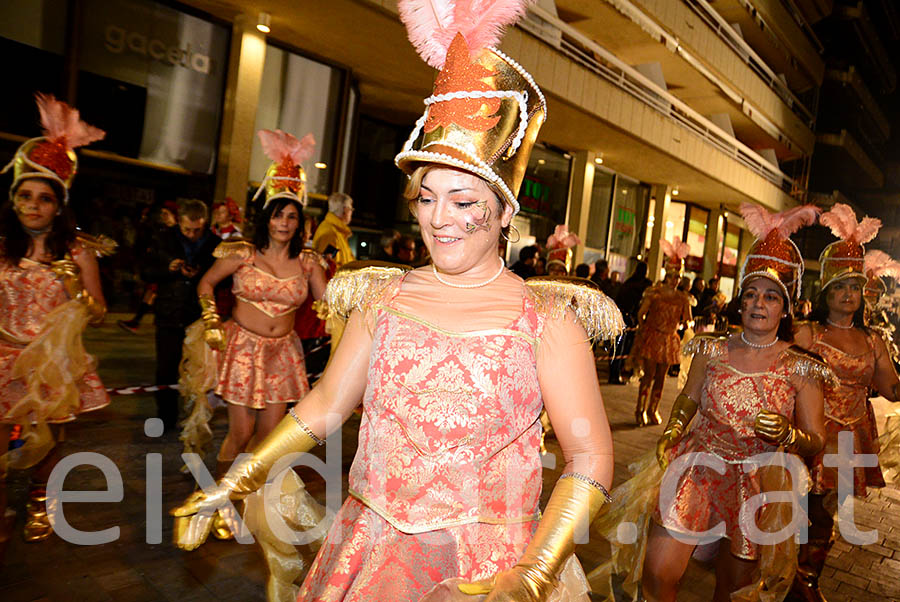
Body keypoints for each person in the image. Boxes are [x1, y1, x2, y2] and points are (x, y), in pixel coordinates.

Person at [172, 6, 624, 600]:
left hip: (489, 572)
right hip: (370, 551)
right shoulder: (381, 297)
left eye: (463, 201)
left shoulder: (548, 318)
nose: (441, 220)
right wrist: (240, 476)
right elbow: (327, 404)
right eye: (427, 198)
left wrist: (534, 574)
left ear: (507, 210)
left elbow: (590, 453)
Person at [590, 203, 828, 602]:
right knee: (658, 573)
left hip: (756, 482)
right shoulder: (710, 350)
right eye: (750, 293)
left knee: (733, 591)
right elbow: (688, 398)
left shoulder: (802, 368)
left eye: (771, 297)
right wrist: (671, 431)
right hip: (696, 467)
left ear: (786, 307)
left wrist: (790, 433)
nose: (758, 303)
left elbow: (817, 440)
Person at [179, 129, 326, 542]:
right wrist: (210, 321)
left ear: (300, 221)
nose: (284, 222)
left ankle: (249, 500)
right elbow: (206, 284)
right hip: (243, 350)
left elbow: (329, 306)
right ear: (267, 217)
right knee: (239, 434)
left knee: (267, 438)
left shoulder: (309, 263)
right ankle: (219, 499)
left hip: (283, 355)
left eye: (291, 215)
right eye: (278, 214)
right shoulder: (242, 254)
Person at [0, 94, 112, 543]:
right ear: (12, 200)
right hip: (5, 356)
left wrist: (75, 287)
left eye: (44, 199)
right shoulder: (2, 247)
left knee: (49, 440)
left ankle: (38, 499)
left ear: (58, 205)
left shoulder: (78, 252)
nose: (33, 206)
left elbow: (99, 314)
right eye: (25, 196)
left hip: (54, 366)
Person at [789, 204, 900, 602]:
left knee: (824, 516)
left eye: (855, 287)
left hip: (850, 440)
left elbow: (893, 390)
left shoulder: (874, 340)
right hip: (807, 437)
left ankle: (805, 581)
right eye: (840, 287)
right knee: (796, 514)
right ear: (826, 293)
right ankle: (792, 580)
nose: (849, 294)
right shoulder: (808, 334)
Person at [143, 199, 220, 431]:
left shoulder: (216, 244)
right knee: (166, 368)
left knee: (200, 370)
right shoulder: (163, 239)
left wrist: (201, 275)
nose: (192, 234)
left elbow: (224, 280)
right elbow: (146, 271)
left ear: (205, 223)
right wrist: (169, 269)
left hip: (198, 314)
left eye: (197, 230)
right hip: (169, 313)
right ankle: (166, 418)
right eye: (187, 229)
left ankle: (195, 417)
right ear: (179, 222)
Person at [630, 238, 692, 426]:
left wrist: (682, 327)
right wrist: (645, 329)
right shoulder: (654, 293)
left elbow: (688, 320)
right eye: (672, 276)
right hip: (654, 336)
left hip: (669, 340)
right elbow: (641, 314)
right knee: (648, 376)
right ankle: (640, 410)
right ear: (667, 275)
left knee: (661, 378)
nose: (675, 280)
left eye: (678, 277)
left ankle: (653, 409)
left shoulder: (683, 298)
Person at [118, 202, 179, 333]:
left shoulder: (178, 232)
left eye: (166, 214)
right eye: (162, 214)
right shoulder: (164, 230)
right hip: (162, 270)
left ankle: (137, 322)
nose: (163, 217)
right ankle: (136, 321)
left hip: (173, 272)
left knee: (154, 294)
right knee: (151, 293)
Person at [608, 261, 652, 384]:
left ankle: (615, 372)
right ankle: (620, 373)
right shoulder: (645, 285)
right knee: (626, 348)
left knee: (618, 346)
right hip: (632, 318)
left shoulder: (628, 282)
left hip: (620, 315)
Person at [312, 192, 355, 267]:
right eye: (351, 209)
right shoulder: (331, 233)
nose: (352, 212)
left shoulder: (338, 232)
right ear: (345, 210)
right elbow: (327, 267)